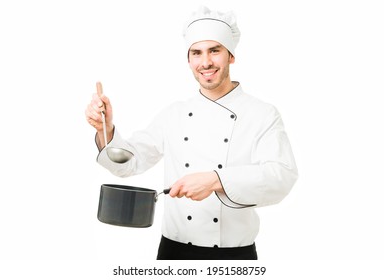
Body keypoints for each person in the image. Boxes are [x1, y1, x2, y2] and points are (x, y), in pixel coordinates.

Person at [85, 6, 298, 260]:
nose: (205, 62)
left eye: (214, 51)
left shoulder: (262, 114)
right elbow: (130, 163)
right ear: (189, 60)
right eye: (196, 53)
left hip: (234, 256)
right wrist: (104, 129)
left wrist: (215, 180)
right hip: (173, 251)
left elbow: (281, 176)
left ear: (231, 56)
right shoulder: (174, 114)